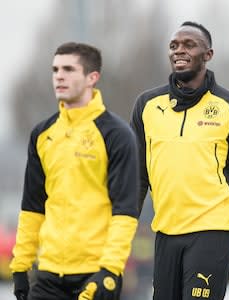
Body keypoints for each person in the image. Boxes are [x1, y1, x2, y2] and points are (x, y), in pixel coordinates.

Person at [130, 21, 229, 300]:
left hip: (213, 230)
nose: (179, 50)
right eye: (174, 46)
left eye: (189, 45)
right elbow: (137, 179)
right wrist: (118, 239)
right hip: (165, 231)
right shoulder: (147, 106)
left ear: (208, 54)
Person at [9, 42, 140, 300]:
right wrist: (20, 266)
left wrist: (110, 269)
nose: (59, 75)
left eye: (69, 69)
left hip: (94, 274)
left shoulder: (116, 134)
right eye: (55, 69)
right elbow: (32, 208)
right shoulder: (42, 134)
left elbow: (124, 211)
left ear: (92, 77)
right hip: (47, 275)